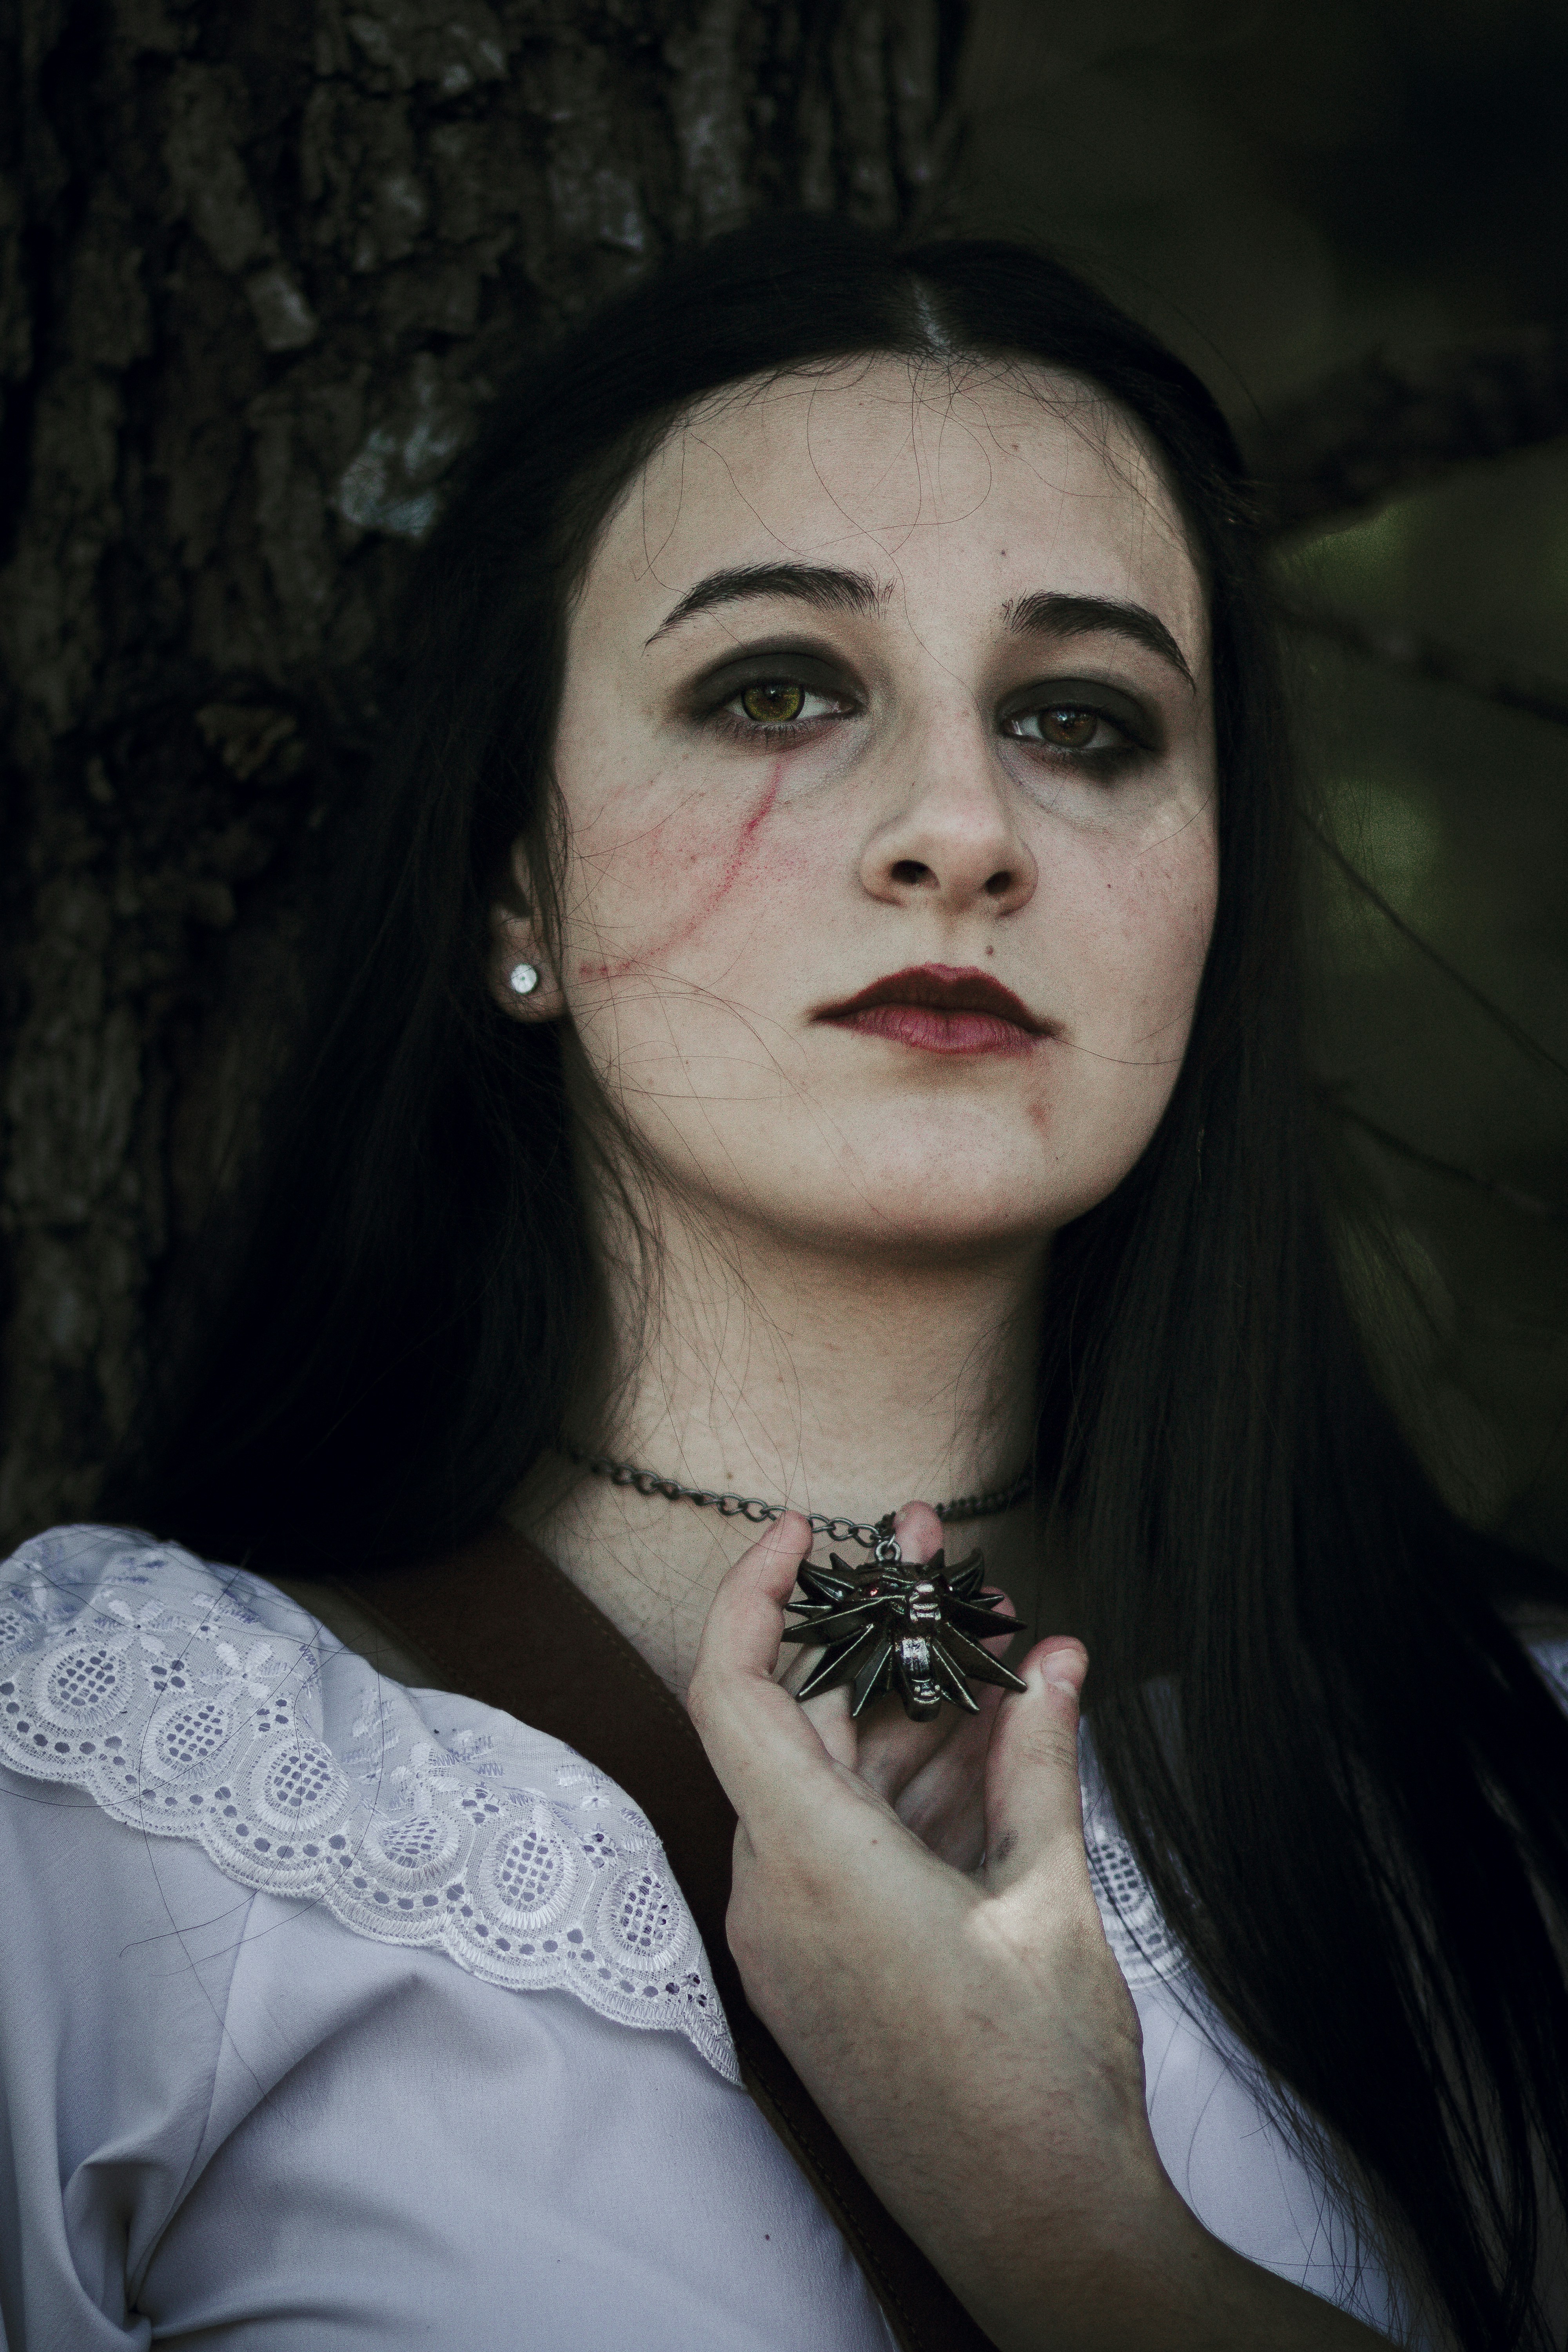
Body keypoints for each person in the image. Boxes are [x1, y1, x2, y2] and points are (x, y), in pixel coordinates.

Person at [2, 216, 1566, 2351]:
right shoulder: (119, 1803)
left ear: (1215, 897)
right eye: (773, 686)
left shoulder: (1506, 1805)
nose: (956, 825)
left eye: (1085, 722)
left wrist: (1067, 2221)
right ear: (511, 888)